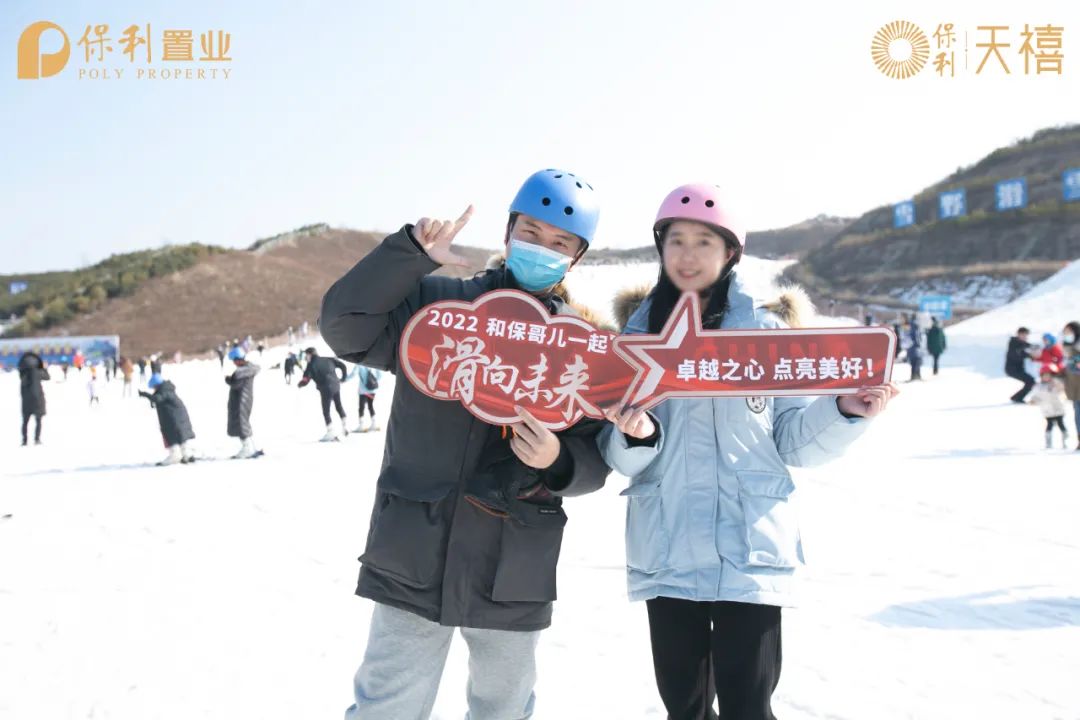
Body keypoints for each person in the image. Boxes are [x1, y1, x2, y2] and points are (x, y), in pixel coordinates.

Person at [599, 184, 899, 720]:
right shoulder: (635, 338)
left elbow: (792, 441)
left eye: (704, 243)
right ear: (660, 248)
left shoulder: (765, 333)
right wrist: (637, 433)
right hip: (667, 543)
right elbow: (618, 456)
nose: (688, 255)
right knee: (684, 708)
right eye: (676, 241)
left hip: (749, 548)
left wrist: (844, 411)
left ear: (730, 253)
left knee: (748, 705)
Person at [320, 169, 611, 720]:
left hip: (513, 564)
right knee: (387, 704)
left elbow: (596, 460)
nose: (541, 249)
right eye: (531, 231)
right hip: (415, 550)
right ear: (507, 232)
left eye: (559, 244)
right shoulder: (437, 305)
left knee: (502, 708)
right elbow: (345, 328)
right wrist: (408, 256)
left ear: (576, 259)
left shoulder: (580, 342)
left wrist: (558, 459)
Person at [140, 373, 196, 464]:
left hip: (173, 419)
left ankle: (175, 456)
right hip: (177, 418)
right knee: (181, 435)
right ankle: (186, 454)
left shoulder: (164, 390)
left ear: (156, 385)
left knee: (173, 436)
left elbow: (158, 399)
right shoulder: (166, 389)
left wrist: (146, 395)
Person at [297, 347, 350, 441]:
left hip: (326, 389)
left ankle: (330, 432)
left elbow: (306, 379)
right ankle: (345, 426)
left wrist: (300, 384)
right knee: (339, 406)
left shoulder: (311, 365)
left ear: (310, 354)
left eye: (306, 355)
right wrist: (343, 378)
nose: (306, 357)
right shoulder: (328, 359)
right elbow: (343, 366)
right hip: (336, 385)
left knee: (326, 411)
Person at [225, 346, 260, 459]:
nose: (234, 363)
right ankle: (250, 447)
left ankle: (247, 448)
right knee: (243, 422)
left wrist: (229, 380)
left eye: (234, 361)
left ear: (238, 359)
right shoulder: (248, 369)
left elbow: (237, 384)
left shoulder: (241, 372)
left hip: (241, 401)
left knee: (240, 423)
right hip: (245, 399)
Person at [1028, 369, 1070, 449]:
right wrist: (1033, 401)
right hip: (1047, 410)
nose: (1046, 377)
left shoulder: (1056, 383)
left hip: (1058, 409)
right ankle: (1048, 442)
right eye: (1045, 376)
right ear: (1041, 376)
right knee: (1049, 425)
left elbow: (1062, 390)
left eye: (1048, 375)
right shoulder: (1039, 387)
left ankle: (1065, 441)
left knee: (1061, 424)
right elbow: (1037, 396)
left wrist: (1056, 384)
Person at [18, 351, 49, 446]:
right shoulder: (38, 371)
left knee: (25, 421)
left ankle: (24, 440)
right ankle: (37, 439)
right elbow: (47, 377)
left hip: (26, 400)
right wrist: (44, 368)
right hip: (38, 399)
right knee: (38, 420)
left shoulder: (23, 373)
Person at [346, 363, 382, 432]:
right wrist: (374, 382)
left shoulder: (359, 363)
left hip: (363, 390)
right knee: (370, 406)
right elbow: (380, 375)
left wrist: (345, 379)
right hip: (372, 390)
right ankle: (374, 424)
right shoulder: (374, 363)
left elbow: (353, 374)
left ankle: (361, 425)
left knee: (361, 407)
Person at [1062, 321, 1080, 451]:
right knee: (1077, 416)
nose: (1066, 334)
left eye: (1069, 331)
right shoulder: (1066, 349)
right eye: (1065, 332)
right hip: (1074, 388)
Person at [1006, 327, 1037, 403]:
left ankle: (1016, 397)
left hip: (1018, 369)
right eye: (1023, 335)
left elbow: (1027, 347)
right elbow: (1016, 354)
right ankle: (1017, 398)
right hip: (1012, 369)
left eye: (1026, 335)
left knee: (1031, 381)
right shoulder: (1013, 343)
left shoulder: (1022, 343)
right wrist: (1029, 355)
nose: (1025, 337)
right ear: (1018, 334)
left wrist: (1034, 349)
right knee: (1031, 381)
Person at [906, 317, 923, 381]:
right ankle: (916, 376)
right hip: (915, 350)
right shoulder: (916, 330)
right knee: (916, 363)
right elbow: (918, 341)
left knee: (913, 363)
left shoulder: (910, 330)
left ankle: (914, 376)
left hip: (912, 350)